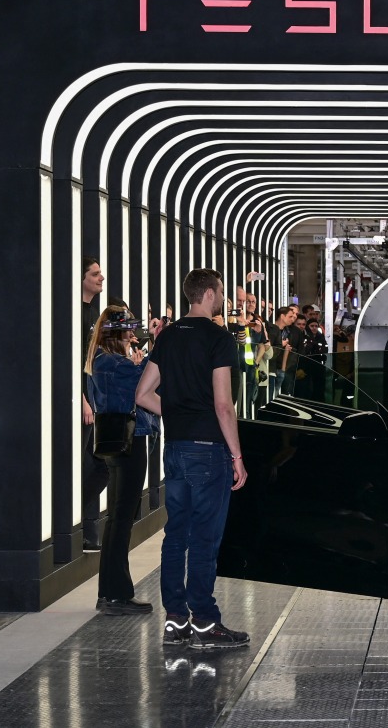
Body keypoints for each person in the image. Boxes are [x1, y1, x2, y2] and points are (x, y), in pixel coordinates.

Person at [135, 268, 250, 650]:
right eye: (221, 292)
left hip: (177, 448)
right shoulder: (219, 339)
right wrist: (237, 454)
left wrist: (178, 412)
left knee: (175, 535)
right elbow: (223, 404)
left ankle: (175, 620)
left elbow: (143, 393)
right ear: (212, 294)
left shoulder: (168, 336)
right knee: (204, 538)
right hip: (209, 450)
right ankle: (203, 619)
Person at [85, 305, 158, 615]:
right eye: (128, 329)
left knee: (118, 517)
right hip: (129, 442)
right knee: (121, 518)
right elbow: (150, 382)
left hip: (119, 442)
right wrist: (158, 348)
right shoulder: (113, 363)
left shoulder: (103, 361)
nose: (133, 334)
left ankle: (112, 593)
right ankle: (116, 595)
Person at [80, 257, 109, 552]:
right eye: (95, 273)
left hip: (94, 396)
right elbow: (71, 361)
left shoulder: (94, 312)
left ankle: (87, 524)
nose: (101, 278)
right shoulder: (75, 313)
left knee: (100, 463)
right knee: (87, 462)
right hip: (82, 398)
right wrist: (83, 400)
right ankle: (85, 527)